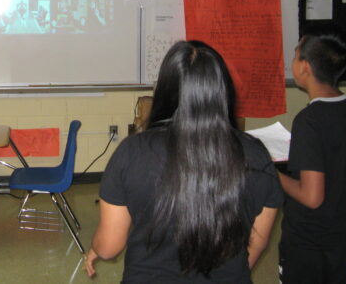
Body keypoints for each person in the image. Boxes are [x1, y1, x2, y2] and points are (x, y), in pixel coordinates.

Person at [85, 40, 283, 283]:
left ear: (165, 89)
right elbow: (257, 243)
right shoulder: (256, 155)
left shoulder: (131, 152)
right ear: (221, 90)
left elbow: (109, 248)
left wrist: (95, 247)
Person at [278, 24, 346, 284]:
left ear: (305, 67)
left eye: (295, 54)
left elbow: (312, 198)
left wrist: (271, 171)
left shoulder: (308, 120)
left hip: (309, 239)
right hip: (344, 230)